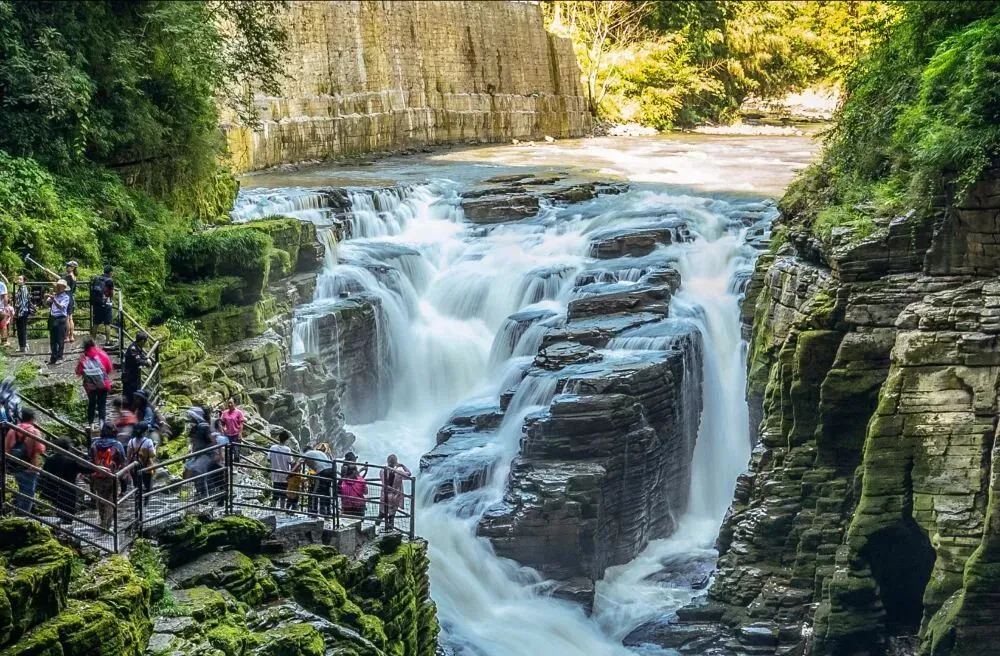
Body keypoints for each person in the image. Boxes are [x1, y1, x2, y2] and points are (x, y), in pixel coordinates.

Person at [4, 408, 45, 514]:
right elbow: (40, 449)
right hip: (30, 467)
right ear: (32, 418)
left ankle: (17, 515)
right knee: (28, 493)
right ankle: (23, 517)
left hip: (13, 466)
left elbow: (6, 448)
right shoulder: (34, 431)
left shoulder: (12, 430)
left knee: (19, 491)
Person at [40, 436, 87, 525]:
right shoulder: (71, 460)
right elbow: (85, 469)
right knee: (69, 514)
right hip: (69, 491)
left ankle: (61, 529)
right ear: (68, 447)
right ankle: (67, 531)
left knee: (59, 511)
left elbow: (44, 475)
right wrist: (97, 467)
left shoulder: (50, 459)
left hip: (54, 491)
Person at [89, 422, 127, 529]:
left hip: (98, 476)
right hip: (112, 477)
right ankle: (108, 524)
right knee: (111, 500)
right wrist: (124, 479)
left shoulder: (94, 444)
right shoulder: (117, 445)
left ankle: (103, 520)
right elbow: (123, 462)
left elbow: (90, 459)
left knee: (101, 499)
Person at [76, 337, 113, 429]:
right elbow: (109, 368)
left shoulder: (84, 356)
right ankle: (102, 424)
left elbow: (78, 372)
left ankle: (91, 424)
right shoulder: (102, 354)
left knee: (92, 403)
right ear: (94, 344)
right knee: (102, 404)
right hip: (102, 383)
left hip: (90, 385)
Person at [377, 454, 411, 531]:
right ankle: (389, 531)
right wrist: (402, 465)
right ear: (396, 462)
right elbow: (409, 474)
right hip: (394, 496)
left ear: (387, 461)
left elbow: (381, 479)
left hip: (384, 495)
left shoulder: (382, 470)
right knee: (391, 516)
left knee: (381, 513)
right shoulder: (399, 473)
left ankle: (375, 528)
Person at [299, 443, 334, 516]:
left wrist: (291, 473)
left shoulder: (307, 454)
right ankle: (327, 511)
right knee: (326, 491)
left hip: (322, 471)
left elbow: (298, 463)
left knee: (317, 491)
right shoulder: (320, 453)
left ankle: (314, 511)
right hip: (331, 470)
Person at [126, 425, 156, 503]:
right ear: (145, 432)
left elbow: (128, 456)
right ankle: (146, 502)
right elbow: (152, 455)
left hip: (135, 467)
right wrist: (155, 446)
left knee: (136, 485)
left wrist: (128, 468)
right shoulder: (148, 442)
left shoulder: (131, 441)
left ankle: (137, 500)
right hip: (147, 467)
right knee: (147, 485)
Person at [122, 332, 150, 409]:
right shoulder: (133, 348)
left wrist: (146, 358)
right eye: (145, 341)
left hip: (134, 376)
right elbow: (137, 360)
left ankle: (134, 411)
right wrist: (146, 363)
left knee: (135, 394)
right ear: (142, 341)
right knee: (129, 396)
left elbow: (141, 355)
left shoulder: (137, 347)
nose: (145, 344)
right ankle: (128, 412)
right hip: (129, 377)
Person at [45, 279, 70, 364]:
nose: (58, 287)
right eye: (57, 286)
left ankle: (60, 357)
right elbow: (46, 304)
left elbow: (61, 307)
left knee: (60, 339)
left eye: (60, 286)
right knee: (53, 340)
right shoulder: (55, 295)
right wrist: (46, 298)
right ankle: (53, 357)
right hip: (53, 318)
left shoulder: (66, 297)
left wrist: (54, 299)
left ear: (64, 288)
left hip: (61, 318)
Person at [89, 265, 115, 345]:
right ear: (110, 272)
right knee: (107, 323)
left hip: (96, 303)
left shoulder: (97, 278)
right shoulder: (109, 280)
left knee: (96, 323)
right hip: (106, 303)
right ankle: (107, 341)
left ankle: (93, 341)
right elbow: (112, 293)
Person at [338, 452, 368, 519]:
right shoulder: (347, 469)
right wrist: (363, 471)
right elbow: (358, 479)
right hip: (357, 505)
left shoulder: (344, 479)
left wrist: (362, 470)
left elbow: (354, 477)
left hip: (346, 504)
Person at [268, 432, 294, 509]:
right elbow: (290, 461)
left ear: (279, 438)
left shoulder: (272, 447)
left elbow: (269, 459)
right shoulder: (287, 449)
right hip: (285, 474)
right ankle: (282, 509)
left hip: (275, 473)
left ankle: (272, 509)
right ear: (286, 440)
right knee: (283, 495)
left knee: (275, 493)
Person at [219, 397, 245, 462]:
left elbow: (241, 424)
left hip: (236, 434)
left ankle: (236, 465)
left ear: (234, 403)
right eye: (228, 403)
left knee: (236, 451)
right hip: (227, 435)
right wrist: (223, 429)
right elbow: (222, 422)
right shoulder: (224, 413)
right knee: (228, 451)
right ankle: (229, 466)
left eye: (231, 403)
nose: (229, 404)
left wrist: (240, 433)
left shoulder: (239, 412)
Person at [13, 275, 33, 353]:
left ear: (24, 281)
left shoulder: (23, 289)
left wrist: (16, 311)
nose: (18, 280)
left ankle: (23, 346)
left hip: (22, 312)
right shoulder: (20, 289)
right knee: (20, 329)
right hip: (20, 312)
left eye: (20, 279)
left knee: (22, 329)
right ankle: (22, 346)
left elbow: (23, 302)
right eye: (18, 279)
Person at [63, 261, 78, 343]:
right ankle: (71, 336)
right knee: (70, 317)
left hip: (66, 297)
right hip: (71, 297)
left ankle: (66, 336)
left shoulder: (68, 276)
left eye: (68, 266)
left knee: (67, 318)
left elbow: (60, 280)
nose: (67, 267)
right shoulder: (74, 277)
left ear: (72, 268)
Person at [0, 273, 11, 347]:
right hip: (0, 309)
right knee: (3, 325)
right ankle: (4, 342)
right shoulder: (2, 285)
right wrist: (6, 308)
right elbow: (5, 298)